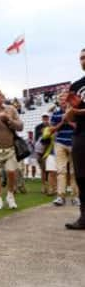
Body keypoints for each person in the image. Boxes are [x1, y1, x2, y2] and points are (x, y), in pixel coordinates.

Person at [65, 48, 85, 229]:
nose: (83, 60)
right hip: (81, 134)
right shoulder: (76, 86)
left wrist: (79, 111)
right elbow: (69, 117)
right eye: (81, 58)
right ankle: (84, 217)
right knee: (81, 176)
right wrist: (71, 111)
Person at [49, 94, 78, 206]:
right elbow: (51, 130)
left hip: (74, 142)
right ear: (59, 101)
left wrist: (69, 121)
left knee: (74, 171)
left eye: (65, 99)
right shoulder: (56, 114)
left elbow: (79, 127)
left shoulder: (76, 111)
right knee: (61, 171)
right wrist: (62, 122)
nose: (63, 101)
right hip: (60, 143)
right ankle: (60, 196)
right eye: (61, 99)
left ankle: (75, 196)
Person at [35, 113, 51, 193]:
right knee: (43, 169)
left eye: (46, 117)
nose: (45, 119)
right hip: (40, 150)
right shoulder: (38, 127)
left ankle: (49, 186)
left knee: (49, 169)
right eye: (44, 117)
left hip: (48, 150)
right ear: (42, 118)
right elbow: (37, 139)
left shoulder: (51, 126)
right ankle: (44, 186)